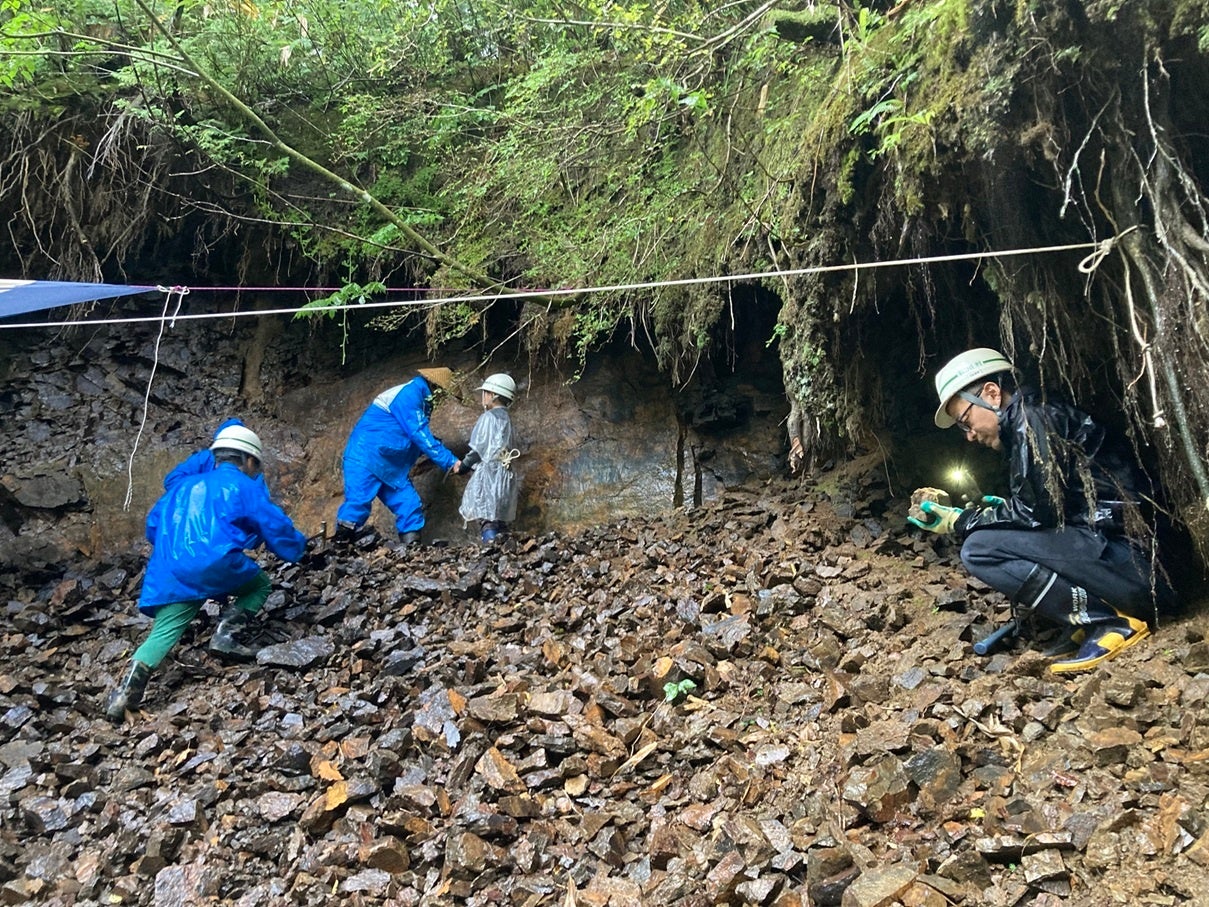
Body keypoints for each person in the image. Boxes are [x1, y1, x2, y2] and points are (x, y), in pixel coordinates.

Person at [908, 347, 1157, 674]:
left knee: (980, 549)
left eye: (966, 421)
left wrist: (961, 519)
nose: (969, 435)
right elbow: (1050, 508)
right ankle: (1091, 618)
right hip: (1135, 561)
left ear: (992, 394)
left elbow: (1035, 515)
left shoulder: (1031, 420)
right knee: (992, 536)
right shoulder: (1039, 414)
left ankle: (1108, 622)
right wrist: (1006, 513)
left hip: (1138, 567)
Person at [104, 425, 308, 723]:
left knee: (163, 632)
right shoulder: (243, 485)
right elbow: (275, 525)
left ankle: (125, 694)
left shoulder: (184, 486)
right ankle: (227, 634)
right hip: (217, 563)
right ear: (248, 460)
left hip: (173, 570)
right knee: (259, 585)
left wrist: (176, 549)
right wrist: (299, 550)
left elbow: (153, 525)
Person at [333, 368, 464, 547]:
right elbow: (419, 434)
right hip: (366, 456)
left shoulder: (421, 400)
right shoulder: (410, 394)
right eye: (445, 395)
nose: (444, 400)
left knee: (409, 505)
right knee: (358, 503)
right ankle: (339, 549)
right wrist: (451, 462)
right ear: (437, 388)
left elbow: (405, 435)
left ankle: (411, 554)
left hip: (390, 466)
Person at [459, 373, 520, 542]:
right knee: (500, 519)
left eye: (485, 392)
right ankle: (506, 554)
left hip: (489, 474)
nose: (483, 396)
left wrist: (463, 466)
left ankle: (491, 551)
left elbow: (478, 448)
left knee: (487, 517)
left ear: (493, 395)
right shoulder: (507, 419)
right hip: (506, 474)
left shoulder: (488, 418)